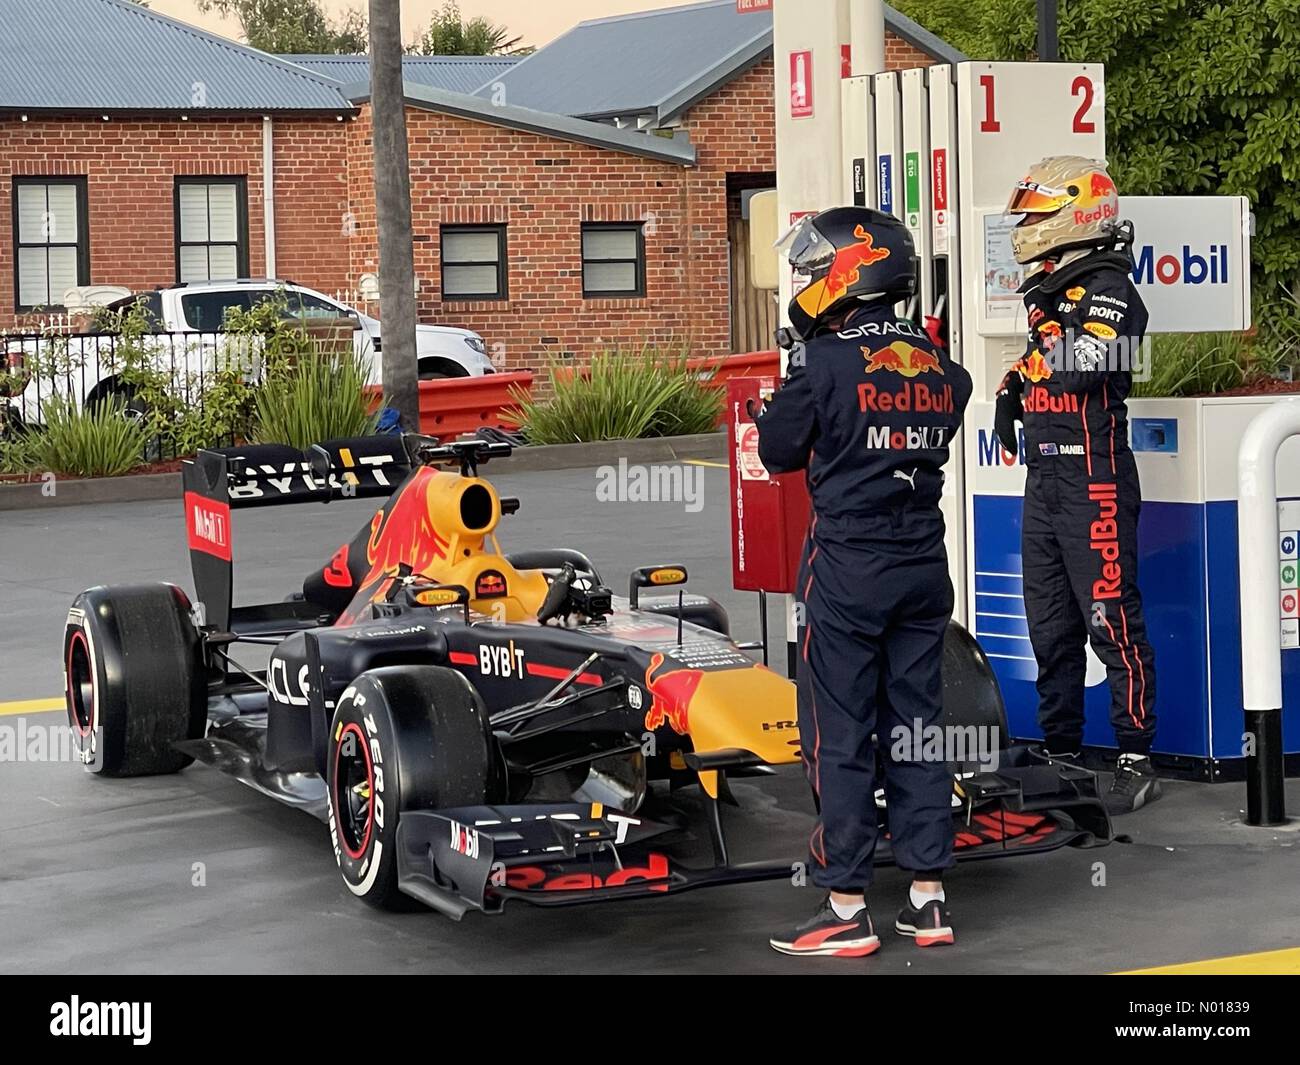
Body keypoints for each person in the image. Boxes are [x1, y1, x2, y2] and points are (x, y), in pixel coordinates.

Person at [757, 207, 971, 958]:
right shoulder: (941, 362)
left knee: (839, 734)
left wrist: (789, 385)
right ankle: (928, 897)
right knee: (917, 725)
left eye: (818, 267)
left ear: (853, 269)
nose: (808, 280)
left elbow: (779, 450)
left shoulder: (822, 360)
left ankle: (845, 905)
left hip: (848, 567)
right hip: (923, 567)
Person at [995, 156, 1159, 814]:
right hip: (1048, 478)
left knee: (1112, 621)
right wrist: (1011, 387)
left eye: (1037, 214)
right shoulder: (1055, 292)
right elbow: (1041, 368)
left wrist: (1039, 339)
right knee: (1051, 625)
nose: (1027, 227)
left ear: (1074, 215)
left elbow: (1077, 368)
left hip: (1096, 477)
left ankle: (1135, 754)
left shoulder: (1113, 290)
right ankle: (1060, 748)